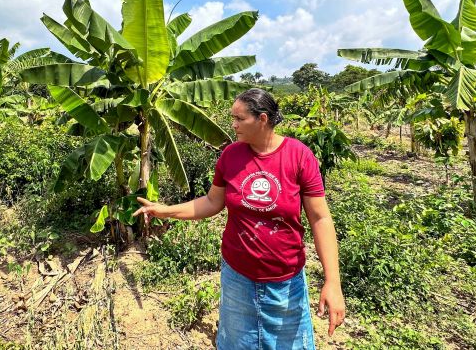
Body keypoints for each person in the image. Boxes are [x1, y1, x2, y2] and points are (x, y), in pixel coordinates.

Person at [134, 88, 345, 349]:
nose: (232, 125)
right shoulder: (231, 156)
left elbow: (320, 219)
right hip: (238, 278)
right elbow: (212, 202)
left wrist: (332, 282)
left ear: (263, 119)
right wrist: (165, 210)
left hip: (286, 280)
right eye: (232, 118)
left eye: (239, 119)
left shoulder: (299, 156)